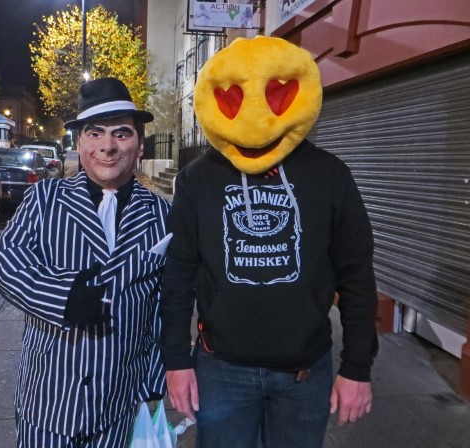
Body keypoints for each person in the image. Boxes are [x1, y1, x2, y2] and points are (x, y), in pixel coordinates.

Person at [159, 36, 378, 448]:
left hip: (304, 372)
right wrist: (176, 359)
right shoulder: (197, 180)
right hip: (219, 368)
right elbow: (178, 274)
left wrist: (357, 367)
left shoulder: (329, 175)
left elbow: (357, 275)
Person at [0, 77, 171, 447]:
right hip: (49, 402)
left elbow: (164, 306)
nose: (107, 146)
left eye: (121, 133)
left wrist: (153, 382)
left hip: (119, 403)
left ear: (138, 145)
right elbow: (4, 262)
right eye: (95, 133)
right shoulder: (46, 197)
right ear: (79, 142)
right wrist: (63, 297)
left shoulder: (162, 214)